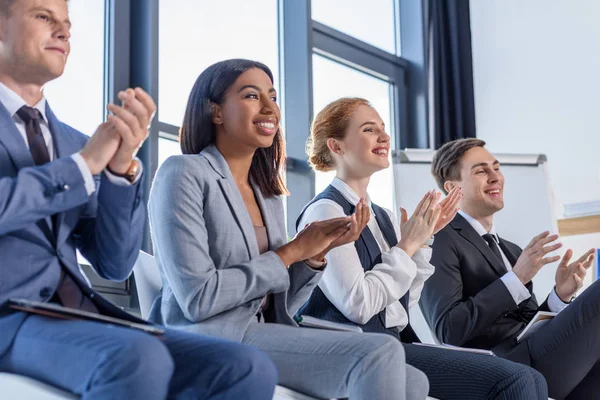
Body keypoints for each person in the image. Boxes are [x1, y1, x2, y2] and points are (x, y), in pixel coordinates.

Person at [0, 1, 278, 399]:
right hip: (9, 317)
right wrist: (85, 166)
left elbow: (113, 263)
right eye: (44, 17)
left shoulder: (74, 143)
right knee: (138, 357)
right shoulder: (81, 154)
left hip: (74, 317)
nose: (63, 32)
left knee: (243, 367)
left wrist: (117, 170)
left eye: (67, 23)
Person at [148, 59, 431, 400]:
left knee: (414, 381)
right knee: (380, 353)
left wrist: (314, 258)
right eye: (252, 96)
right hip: (206, 335)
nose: (270, 108)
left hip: (266, 332)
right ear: (216, 112)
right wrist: (292, 251)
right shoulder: (183, 173)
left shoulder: (267, 193)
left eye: (273, 96)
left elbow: (284, 303)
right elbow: (197, 299)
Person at [296, 97, 549, 400]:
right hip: (357, 350)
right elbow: (358, 305)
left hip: (393, 343)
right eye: (368, 129)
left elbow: (400, 304)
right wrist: (408, 245)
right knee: (515, 380)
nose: (384, 136)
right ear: (336, 147)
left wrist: (422, 242)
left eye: (383, 128)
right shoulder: (326, 211)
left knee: (532, 379)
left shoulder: (382, 217)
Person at [422, 137, 600, 399]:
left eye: (496, 168)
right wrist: (516, 278)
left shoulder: (511, 249)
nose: (496, 177)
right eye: (481, 171)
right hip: (504, 367)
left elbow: (527, 324)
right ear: (452, 187)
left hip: (535, 356)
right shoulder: (439, 239)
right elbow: (449, 331)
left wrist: (559, 296)